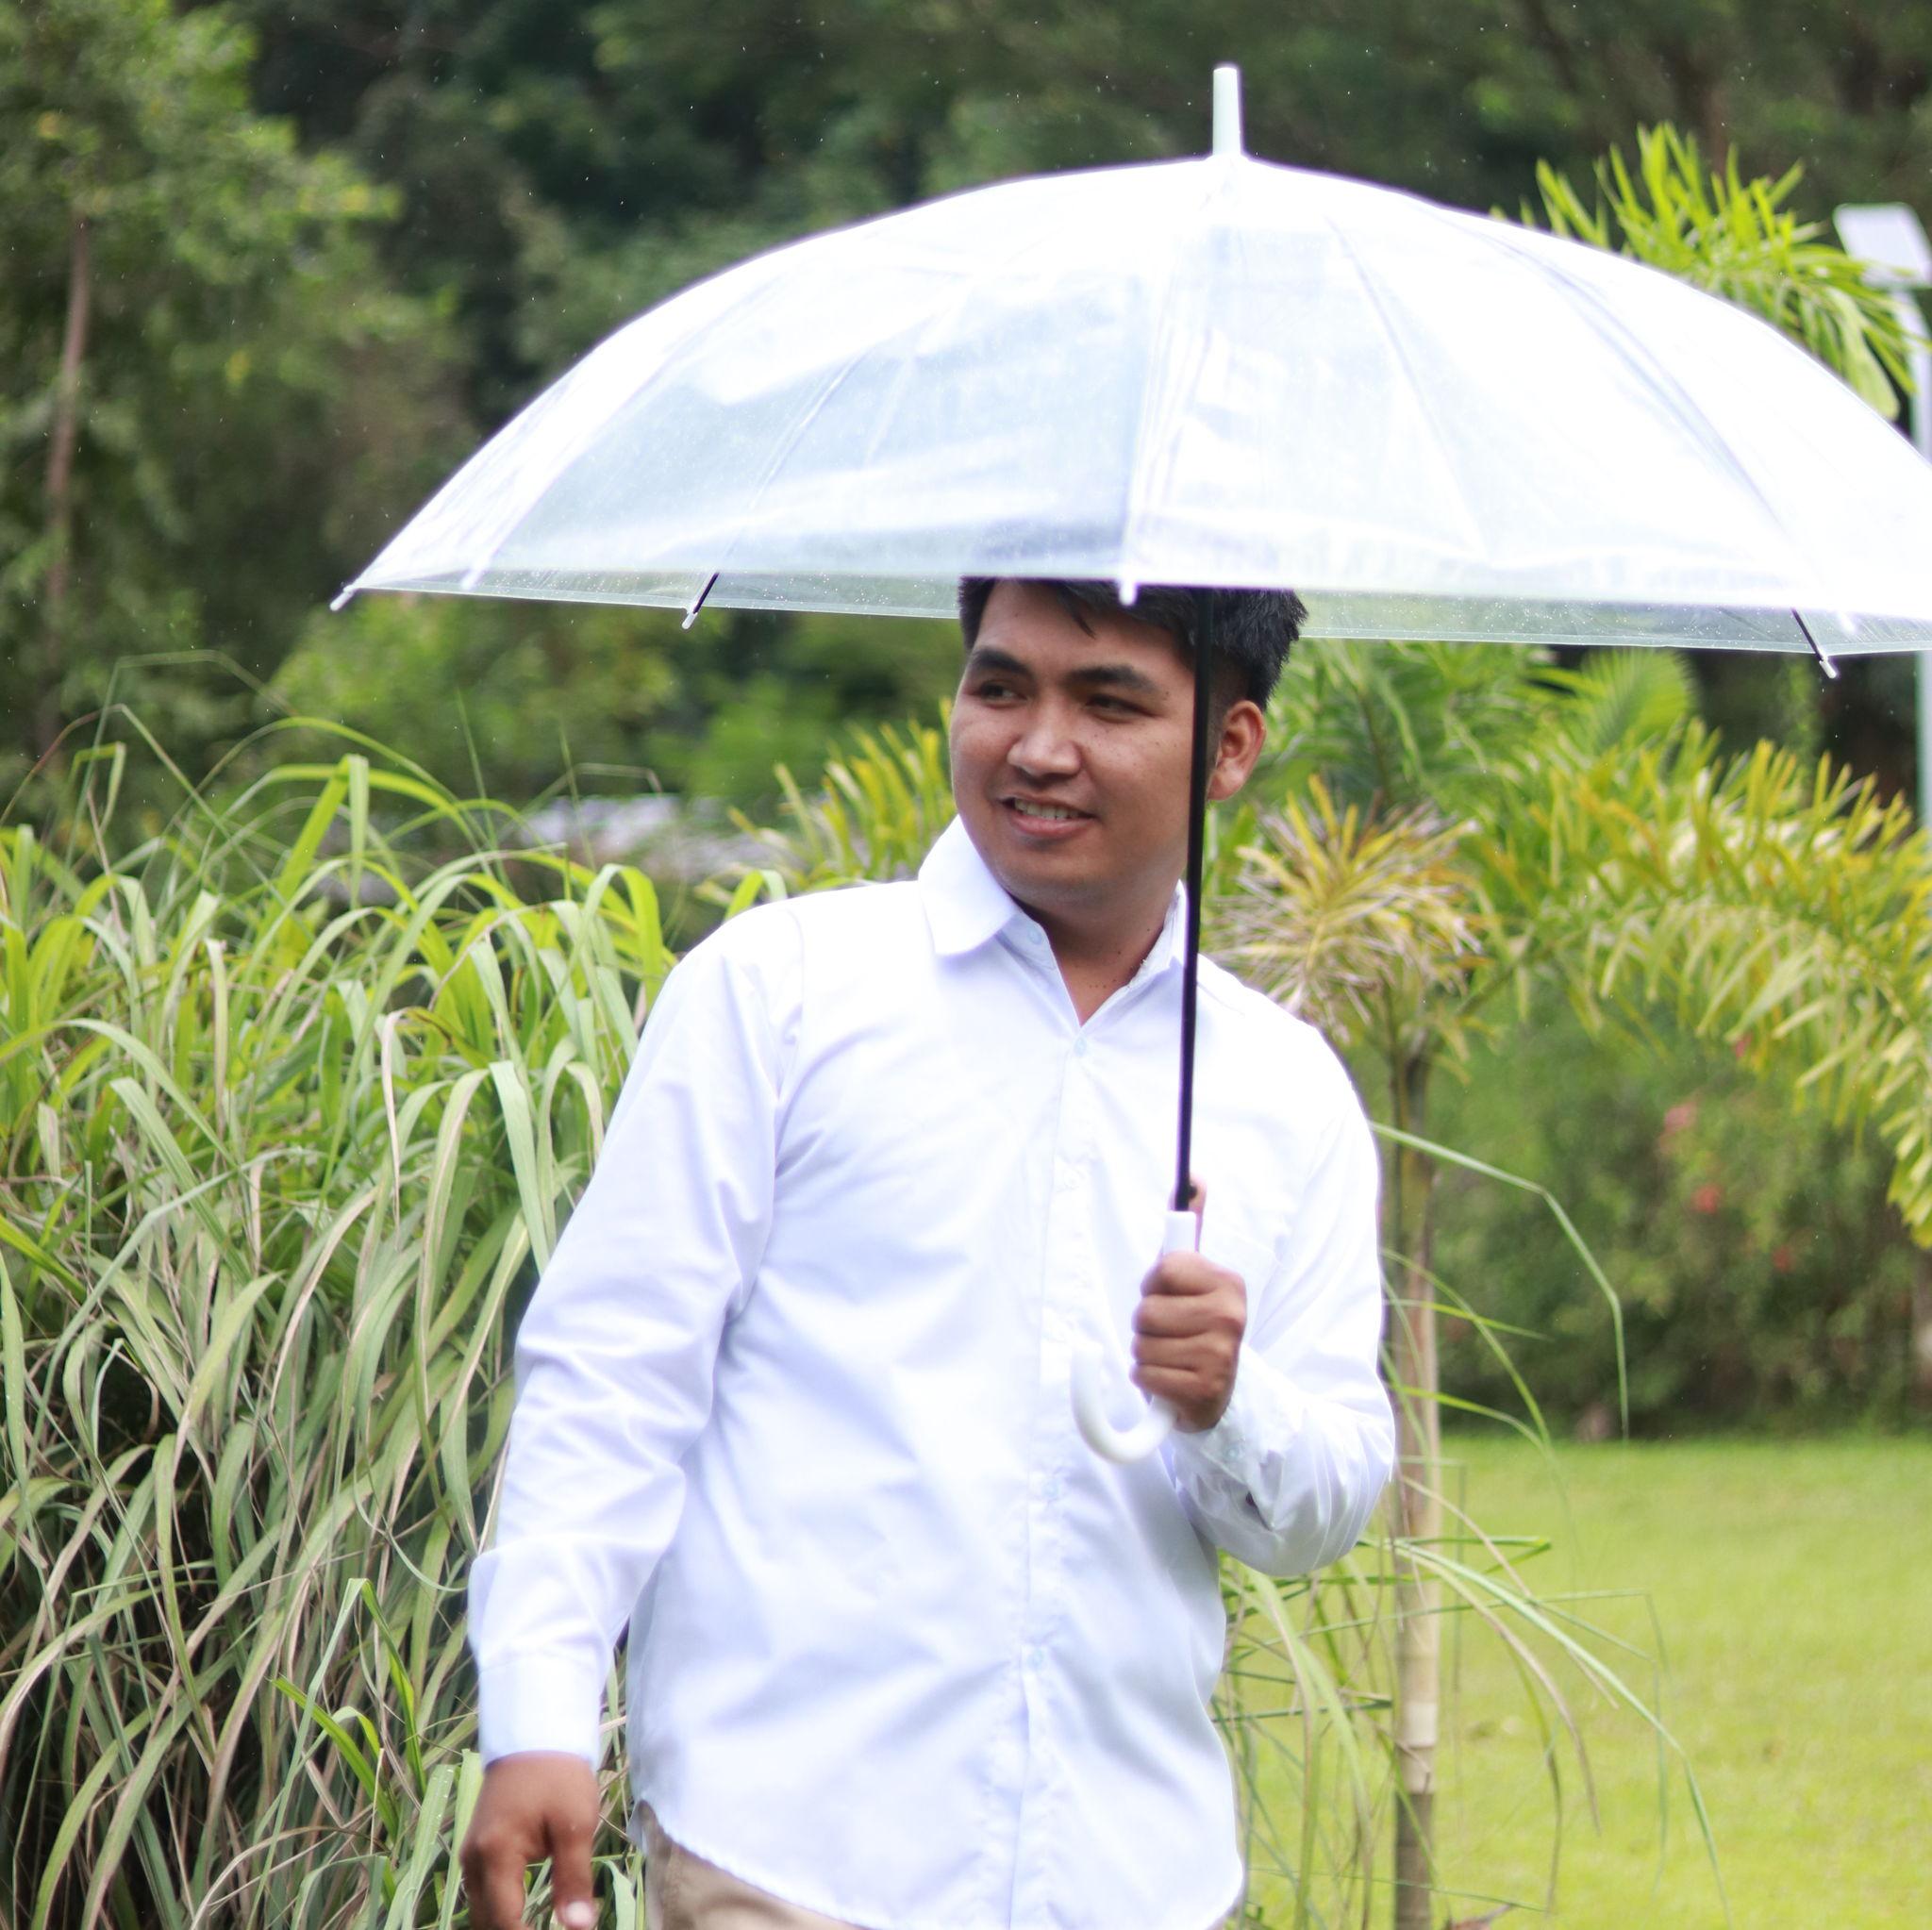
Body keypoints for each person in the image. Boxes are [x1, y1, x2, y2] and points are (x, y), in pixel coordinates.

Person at [459, 577, 1396, 1930]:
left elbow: (1328, 1502)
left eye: (1109, 702)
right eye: (1001, 686)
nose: (1039, 745)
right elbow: (613, 1373)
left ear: (1231, 745)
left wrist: (1226, 1398)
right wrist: (539, 1712)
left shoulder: (1284, 1091)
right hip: (786, 1862)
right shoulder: (781, 993)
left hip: (1135, 1881)